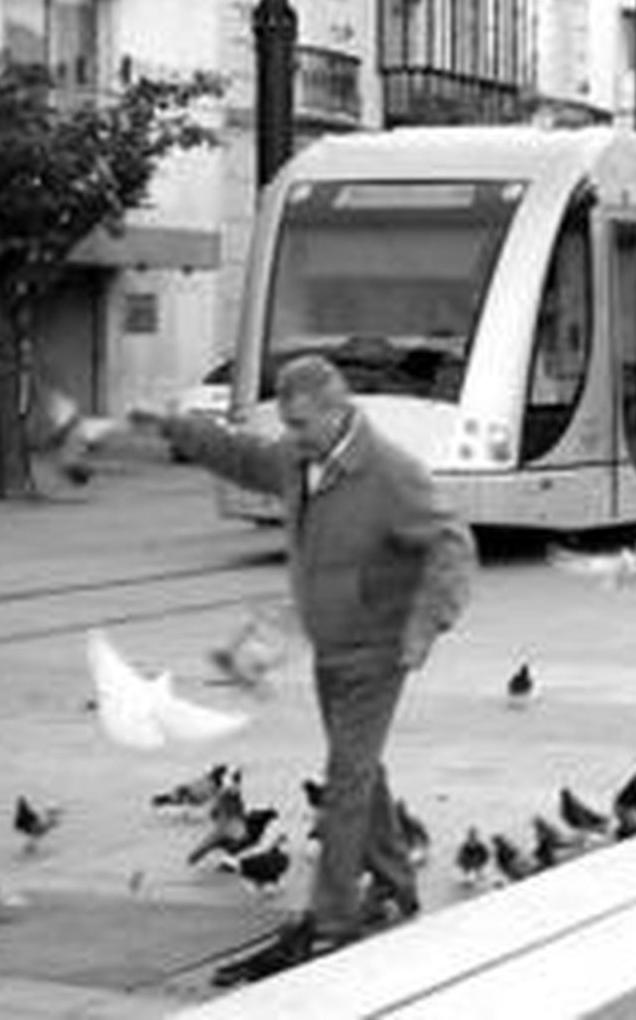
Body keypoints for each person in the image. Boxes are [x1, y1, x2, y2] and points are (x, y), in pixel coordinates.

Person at [136, 354, 475, 985]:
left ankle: (331, 918)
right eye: (287, 424)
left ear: (337, 409)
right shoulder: (296, 460)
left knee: (344, 779)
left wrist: (425, 627)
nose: (294, 436)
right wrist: (175, 427)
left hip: (379, 648)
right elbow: (242, 456)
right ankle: (397, 883)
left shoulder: (389, 472)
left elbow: (453, 542)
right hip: (331, 644)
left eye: (302, 423)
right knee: (360, 769)